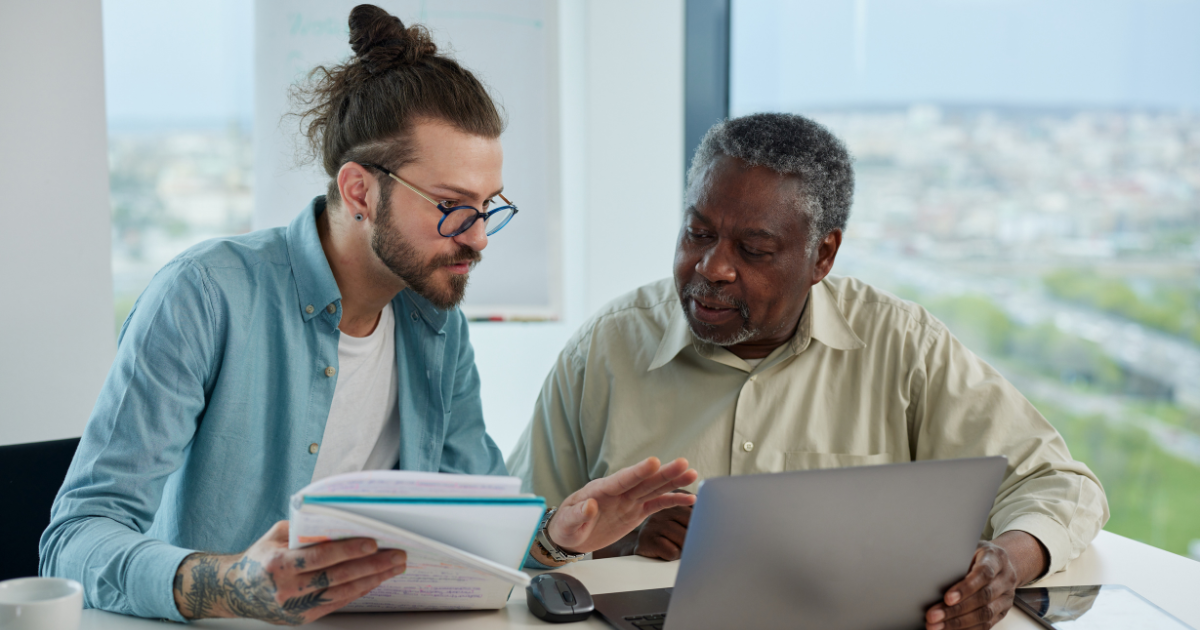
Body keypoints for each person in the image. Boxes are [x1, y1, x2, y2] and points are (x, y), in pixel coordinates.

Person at [40, 5, 696, 625]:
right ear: (360, 190)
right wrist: (231, 583)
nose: (479, 237)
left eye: (488, 206)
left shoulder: (435, 323)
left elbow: (484, 532)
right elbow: (74, 539)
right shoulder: (205, 296)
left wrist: (558, 534)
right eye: (452, 206)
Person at [507, 112, 1109, 630]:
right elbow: (514, 535)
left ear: (822, 255)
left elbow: (1061, 482)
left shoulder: (903, 345)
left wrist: (1007, 563)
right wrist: (615, 539)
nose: (712, 267)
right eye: (698, 233)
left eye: (754, 250)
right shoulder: (607, 348)